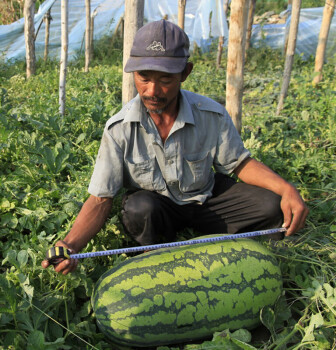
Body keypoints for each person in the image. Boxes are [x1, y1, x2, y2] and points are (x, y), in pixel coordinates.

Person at [42, 19, 308, 275]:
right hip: (158, 211)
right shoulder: (119, 128)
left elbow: (239, 163)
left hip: (206, 200)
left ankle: (214, 236)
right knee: (139, 209)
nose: (152, 90)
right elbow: (101, 198)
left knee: (272, 206)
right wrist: (72, 244)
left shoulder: (211, 115)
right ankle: (157, 254)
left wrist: (286, 189)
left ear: (185, 73)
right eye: (143, 78)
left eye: (165, 79)